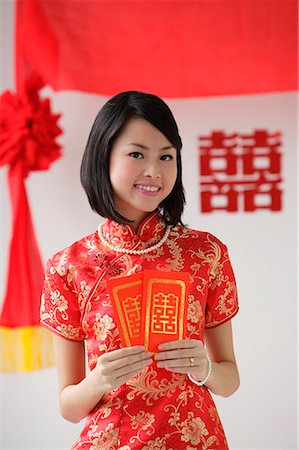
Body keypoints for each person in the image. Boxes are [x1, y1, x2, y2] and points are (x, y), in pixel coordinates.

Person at [40, 91, 240, 450]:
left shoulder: (205, 253)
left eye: (167, 157)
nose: (154, 171)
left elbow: (230, 379)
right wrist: (99, 380)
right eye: (137, 154)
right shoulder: (68, 266)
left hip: (196, 440)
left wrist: (204, 368)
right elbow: (69, 407)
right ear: (103, 157)